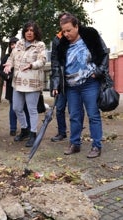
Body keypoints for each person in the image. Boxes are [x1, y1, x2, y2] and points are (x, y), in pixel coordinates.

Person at [52, 14, 109, 158]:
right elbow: (57, 65)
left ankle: (96, 146)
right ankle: (75, 144)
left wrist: (98, 71)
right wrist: (56, 83)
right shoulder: (61, 44)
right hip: (71, 86)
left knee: (93, 115)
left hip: (90, 84)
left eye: (69, 30)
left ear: (77, 26)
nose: (66, 34)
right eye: (63, 31)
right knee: (74, 116)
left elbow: (104, 54)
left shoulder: (90, 35)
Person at [4, 21, 46, 147]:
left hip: (32, 83)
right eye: (27, 30)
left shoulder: (40, 45)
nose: (29, 33)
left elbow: (42, 60)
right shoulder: (19, 44)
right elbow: (11, 57)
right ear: (24, 32)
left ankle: (33, 134)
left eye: (32, 30)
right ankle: (25, 130)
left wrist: (32, 65)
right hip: (17, 82)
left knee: (32, 109)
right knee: (16, 107)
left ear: (35, 32)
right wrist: (9, 65)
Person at [50, 12, 85, 142]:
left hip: (76, 80)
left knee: (75, 109)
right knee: (59, 108)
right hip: (61, 79)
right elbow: (54, 62)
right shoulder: (57, 39)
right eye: (61, 21)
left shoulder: (80, 36)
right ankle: (61, 132)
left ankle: (77, 132)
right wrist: (55, 83)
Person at [0, 37, 30, 136]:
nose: (13, 46)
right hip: (11, 86)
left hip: (24, 85)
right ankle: (13, 128)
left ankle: (27, 128)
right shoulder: (7, 57)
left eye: (15, 43)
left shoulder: (25, 55)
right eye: (11, 44)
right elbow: (0, 70)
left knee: (25, 107)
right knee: (13, 107)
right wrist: (8, 76)